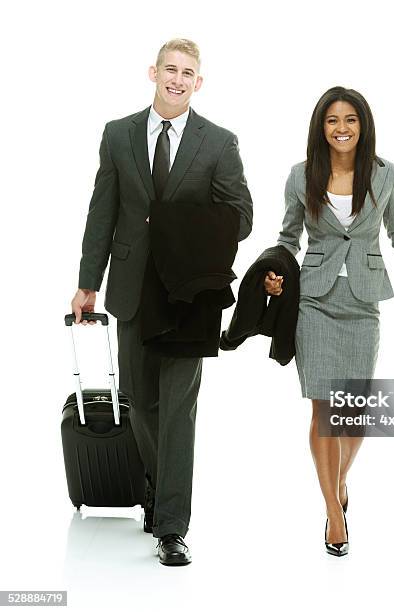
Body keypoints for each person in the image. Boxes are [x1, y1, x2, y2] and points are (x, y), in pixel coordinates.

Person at [71, 38, 253, 566]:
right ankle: (155, 483)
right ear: (153, 72)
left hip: (189, 296)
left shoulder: (218, 143)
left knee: (179, 411)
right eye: (170, 69)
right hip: (131, 289)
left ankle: (172, 524)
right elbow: (101, 212)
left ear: (200, 83)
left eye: (188, 72)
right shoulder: (118, 134)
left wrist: (183, 226)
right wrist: (88, 282)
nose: (177, 79)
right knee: (140, 403)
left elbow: (241, 215)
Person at [264, 86, 394, 557]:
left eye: (350, 119)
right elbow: (288, 238)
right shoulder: (300, 175)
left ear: (363, 125)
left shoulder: (385, 174)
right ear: (321, 127)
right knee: (323, 409)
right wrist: (275, 276)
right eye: (332, 120)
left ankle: (339, 478)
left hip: (363, 302)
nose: (342, 128)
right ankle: (334, 512)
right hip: (314, 299)